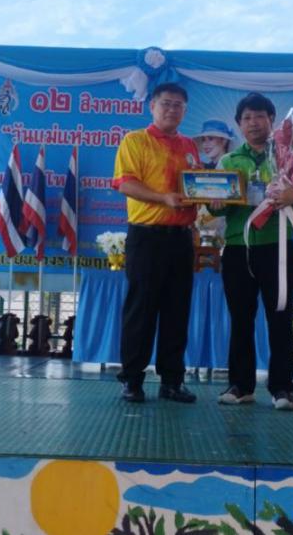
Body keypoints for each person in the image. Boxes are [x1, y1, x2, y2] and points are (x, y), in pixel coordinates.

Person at [211, 93, 293, 411]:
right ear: (238, 124)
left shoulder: (289, 156)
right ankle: (241, 386)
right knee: (240, 319)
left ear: (272, 120)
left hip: (278, 247)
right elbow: (215, 207)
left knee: (280, 318)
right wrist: (213, 203)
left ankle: (282, 389)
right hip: (237, 248)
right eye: (246, 118)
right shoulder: (228, 161)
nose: (253, 122)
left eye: (259, 116)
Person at [111, 82, 200, 403]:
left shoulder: (190, 145)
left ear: (185, 111)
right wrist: (163, 198)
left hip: (182, 238)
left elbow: (197, 187)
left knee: (178, 311)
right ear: (152, 106)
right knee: (141, 309)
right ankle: (132, 380)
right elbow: (125, 183)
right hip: (146, 237)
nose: (171, 109)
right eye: (166, 103)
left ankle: (172, 381)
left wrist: (214, 197)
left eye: (178, 105)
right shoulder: (135, 140)